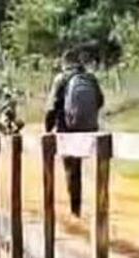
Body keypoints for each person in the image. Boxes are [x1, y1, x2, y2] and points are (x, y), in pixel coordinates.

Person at [45, 51, 103, 217]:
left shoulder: (61, 79)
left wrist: (48, 128)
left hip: (67, 131)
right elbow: (100, 101)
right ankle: (97, 208)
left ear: (64, 63)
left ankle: (75, 210)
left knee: (72, 170)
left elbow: (52, 106)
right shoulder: (90, 78)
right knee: (87, 169)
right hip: (88, 129)